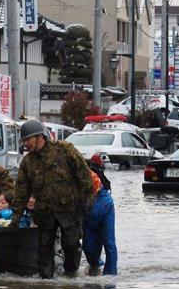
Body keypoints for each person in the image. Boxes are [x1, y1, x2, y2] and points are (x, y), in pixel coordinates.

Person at [11, 119, 94, 279]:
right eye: (24, 140)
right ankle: (46, 286)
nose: (26, 144)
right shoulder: (28, 162)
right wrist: (16, 217)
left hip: (69, 210)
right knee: (44, 250)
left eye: (28, 140)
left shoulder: (65, 150)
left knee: (71, 245)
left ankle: (70, 276)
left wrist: (87, 201)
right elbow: (21, 191)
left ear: (39, 136)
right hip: (44, 212)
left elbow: (84, 176)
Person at [82, 157, 117, 276]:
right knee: (89, 248)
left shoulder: (90, 176)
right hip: (88, 215)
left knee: (109, 244)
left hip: (104, 208)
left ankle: (110, 275)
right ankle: (95, 266)